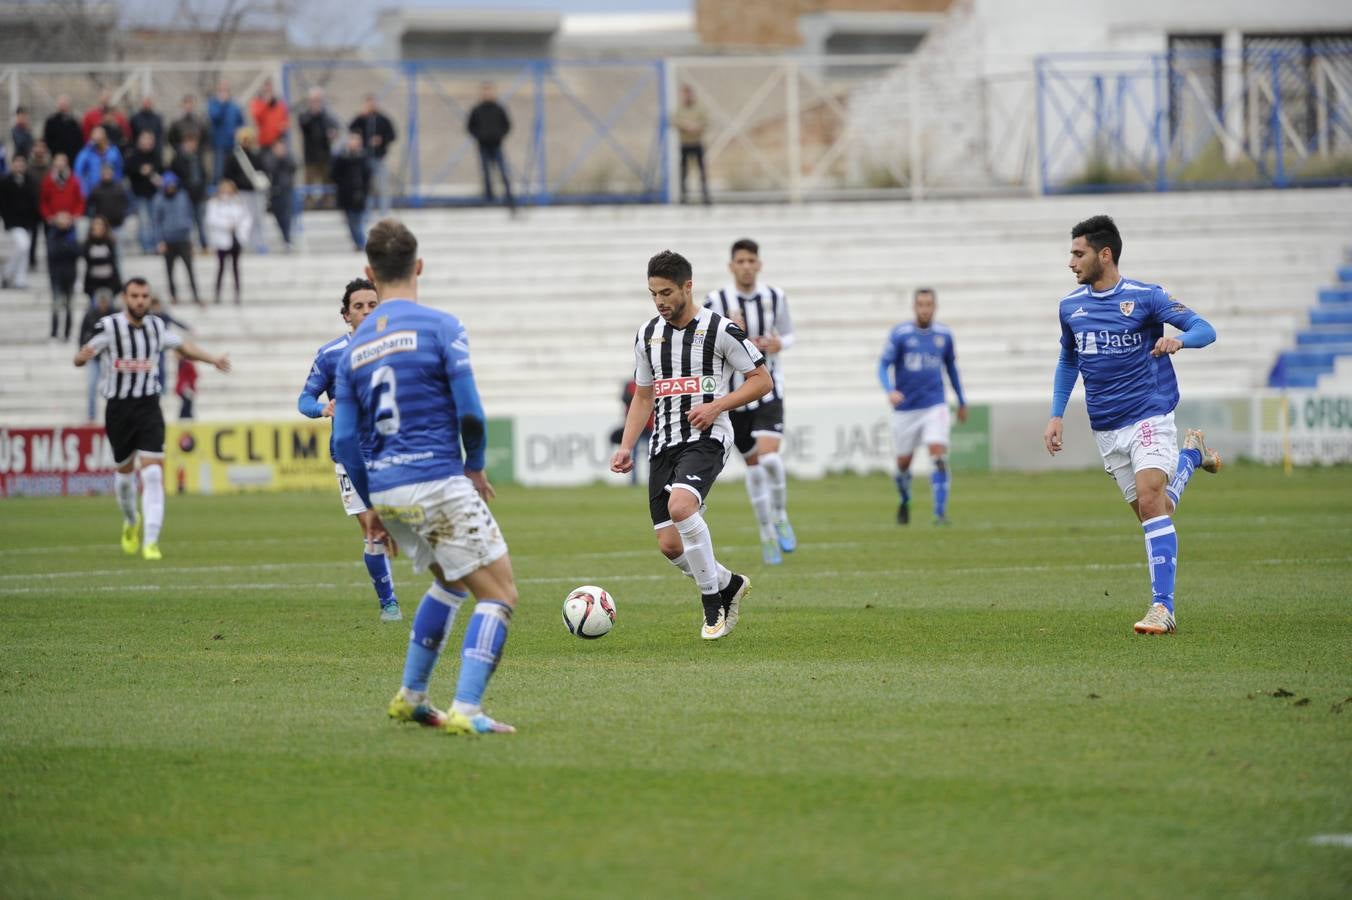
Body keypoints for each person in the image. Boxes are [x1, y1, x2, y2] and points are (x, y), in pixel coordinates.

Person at [332, 218, 518, 735]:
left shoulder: (353, 349)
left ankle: (411, 696)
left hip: (387, 487)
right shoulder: (441, 327)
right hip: (436, 477)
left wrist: (369, 506)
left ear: (370, 271)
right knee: (499, 593)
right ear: (419, 267)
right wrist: (475, 465)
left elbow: (344, 441)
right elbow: (472, 414)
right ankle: (468, 709)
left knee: (450, 582)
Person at [1043, 214, 1221, 635]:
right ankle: (1192, 456)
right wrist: (1056, 413)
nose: (1070, 262)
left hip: (1149, 412)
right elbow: (1069, 359)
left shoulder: (1146, 297)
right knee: (1154, 510)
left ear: (1105, 255)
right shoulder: (1071, 306)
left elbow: (1205, 329)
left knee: (1149, 496)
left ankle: (1163, 607)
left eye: (1078, 253)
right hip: (1106, 427)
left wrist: (1180, 339)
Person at [609, 250, 769, 640]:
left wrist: (717, 405)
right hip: (662, 444)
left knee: (682, 506)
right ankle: (728, 583)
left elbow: (761, 380)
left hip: (707, 438)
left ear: (687, 286)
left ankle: (712, 603)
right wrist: (627, 446)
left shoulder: (720, 330)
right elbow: (643, 396)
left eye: (666, 292)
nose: (660, 301)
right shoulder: (647, 335)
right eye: (653, 294)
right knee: (668, 545)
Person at [74, 277, 231, 561]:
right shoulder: (110, 327)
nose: (140, 301)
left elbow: (183, 346)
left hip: (148, 407)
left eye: (145, 296)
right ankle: (131, 520)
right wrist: (80, 358)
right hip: (119, 409)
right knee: (124, 477)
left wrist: (213, 360)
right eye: (135, 296)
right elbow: (84, 353)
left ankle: (151, 541)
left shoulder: (157, 327)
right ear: (125, 298)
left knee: (153, 474)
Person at [297, 277, 402, 622]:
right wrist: (323, 409)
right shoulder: (330, 355)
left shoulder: (398, 349)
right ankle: (389, 602)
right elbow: (304, 399)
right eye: (359, 306)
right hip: (351, 454)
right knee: (372, 528)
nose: (367, 311)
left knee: (400, 524)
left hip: (394, 449)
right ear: (346, 315)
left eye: (373, 305)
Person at [703, 238, 797, 564]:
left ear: (759, 264)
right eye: (739, 261)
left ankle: (781, 514)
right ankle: (766, 533)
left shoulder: (775, 296)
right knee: (755, 469)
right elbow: (704, 340)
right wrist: (732, 335)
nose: (745, 266)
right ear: (731, 266)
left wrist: (777, 343)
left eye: (750, 260)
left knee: (770, 460)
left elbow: (788, 334)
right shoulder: (716, 300)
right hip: (735, 395)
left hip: (769, 389)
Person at [879, 287, 967, 526]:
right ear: (914, 307)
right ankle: (905, 499)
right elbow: (883, 365)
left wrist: (961, 400)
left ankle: (939, 514)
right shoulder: (900, 334)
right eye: (921, 305)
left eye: (929, 304)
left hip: (934, 405)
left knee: (938, 457)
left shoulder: (944, 335)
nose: (925, 309)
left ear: (935, 307)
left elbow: (952, 369)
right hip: (906, 409)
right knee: (903, 464)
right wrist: (890, 391)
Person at [152, 172, 201, 305]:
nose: (171, 188)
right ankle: (173, 296)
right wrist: (159, 241)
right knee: (170, 271)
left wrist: (193, 239)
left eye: (173, 185)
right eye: (168, 185)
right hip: (168, 240)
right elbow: (157, 222)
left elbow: (190, 216)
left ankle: (196, 295)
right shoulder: (159, 199)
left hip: (183, 238)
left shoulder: (183, 196)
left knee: (190, 269)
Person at [466, 83, 515, 211]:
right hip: (483, 145)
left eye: (490, 91)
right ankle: (489, 198)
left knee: (503, 171)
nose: (487, 94)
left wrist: (499, 135)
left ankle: (508, 196)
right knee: (486, 172)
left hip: (496, 145)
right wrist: (479, 136)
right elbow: (470, 126)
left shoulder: (499, 109)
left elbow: (507, 125)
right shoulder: (477, 110)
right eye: (485, 92)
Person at [349, 94, 397, 217]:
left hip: (379, 158)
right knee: (366, 187)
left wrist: (381, 140)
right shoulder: (361, 119)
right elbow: (351, 128)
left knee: (383, 187)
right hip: (364, 159)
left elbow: (392, 135)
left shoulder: (383, 119)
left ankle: (384, 212)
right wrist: (360, 115)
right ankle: (366, 212)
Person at [204, 178, 249, 304]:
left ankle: (237, 294)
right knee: (221, 267)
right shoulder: (214, 203)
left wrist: (241, 231)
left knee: (235, 268)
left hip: (236, 239)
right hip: (222, 240)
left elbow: (246, 219)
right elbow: (211, 220)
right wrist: (226, 225)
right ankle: (217, 294)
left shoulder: (239, 203)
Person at [224, 127, 268, 253]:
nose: (247, 142)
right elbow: (228, 175)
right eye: (245, 140)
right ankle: (243, 243)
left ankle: (259, 243)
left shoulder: (256, 154)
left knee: (258, 218)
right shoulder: (234, 156)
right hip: (241, 192)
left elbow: (262, 170)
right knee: (243, 219)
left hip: (256, 192)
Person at [0, 154, 39, 290]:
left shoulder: (29, 181)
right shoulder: (5, 181)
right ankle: (7, 272)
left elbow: (34, 201)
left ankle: (19, 279)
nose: (19, 166)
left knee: (24, 251)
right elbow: (3, 204)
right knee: (23, 245)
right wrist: (6, 220)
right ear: (12, 164)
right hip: (13, 222)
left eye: (22, 163)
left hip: (27, 222)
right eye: (17, 163)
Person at [78, 288, 115, 421]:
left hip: (111, 358)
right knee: (92, 386)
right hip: (94, 357)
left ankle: (111, 416)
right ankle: (91, 416)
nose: (103, 305)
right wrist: (83, 352)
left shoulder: (115, 315)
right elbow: (82, 335)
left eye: (105, 302)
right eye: (101, 302)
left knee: (111, 389)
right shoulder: (90, 314)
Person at [168, 132, 209, 249]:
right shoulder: (178, 158)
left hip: (199, 193)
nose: (192, 145)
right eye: (189, 143)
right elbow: (175, 175)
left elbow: (203, 174)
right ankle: (188, 244)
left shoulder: (198, 157)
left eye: (194, 143)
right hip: (185, 193)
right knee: (187, 221)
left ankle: (203, 244)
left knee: (200, 220)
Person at [330, 132, 369, 251]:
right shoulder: (342, 158)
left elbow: (367, 176)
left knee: (357, 222)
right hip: (346, 195)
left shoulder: (363, 158)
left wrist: (363, 191)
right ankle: (359, 244)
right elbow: (333, 174)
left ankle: (362, 244)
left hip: (359, 195)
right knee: (350, 223)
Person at [125, 130, 162, 254]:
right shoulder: (133, 155)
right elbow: (128, 170)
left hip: (154, 193)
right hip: (139, 194)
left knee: (155, 221)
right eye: (144, 140)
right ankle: (147, 247)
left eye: (149, 140)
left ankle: (157, 245)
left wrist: (153, 173)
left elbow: (161, 170)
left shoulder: (155, 155)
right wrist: (141, 171)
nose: (147, 143)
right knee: (144, 222)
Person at [673, 85, 711, 205]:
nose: (686, 97)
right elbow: (674, 121)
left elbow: (706, 122)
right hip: (685, 144)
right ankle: (684, 197)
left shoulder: (699, 109)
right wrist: (685, 126)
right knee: (683, 171)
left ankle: (705, 197)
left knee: (702, 171)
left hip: (697, 143)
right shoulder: (680, 109)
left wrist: (696, 127)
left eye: (688, 94)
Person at [46, 212, 80, 340]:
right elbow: (53, 252)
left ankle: (67, 333)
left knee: (70, 306)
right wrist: (66, 248)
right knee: (56, 306)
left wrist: (64, 248)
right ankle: (54, 333)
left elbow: (77, 252)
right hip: (56, 277)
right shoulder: (52, 235)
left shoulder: (73, 235)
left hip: (70, 276)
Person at [297, 87, 339, 188]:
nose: (316, 103)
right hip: (311, 158)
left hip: (325, 157)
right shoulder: (304, 115)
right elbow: (304, 124)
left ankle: (328, 204)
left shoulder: (326, 116)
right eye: (314, 100)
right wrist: (314, 114)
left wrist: (333, 133)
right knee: (309, 186)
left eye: (318, 100)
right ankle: (309, 204)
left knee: (328, 185)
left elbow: (334, 127)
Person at [86, 163, 131, 255]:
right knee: (103, 255)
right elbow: (89, 205)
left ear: (112, 173)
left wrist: (124, 215)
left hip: (118, 226)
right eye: (104, 172)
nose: (106, 174)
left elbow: (128, 203)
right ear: (101, 174)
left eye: (108, 172)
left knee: (119, 254)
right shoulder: (96, 189)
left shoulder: (120, 187)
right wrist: (95, 221)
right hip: (102, 228)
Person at [207, 81, 245, 185]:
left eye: (225, 90)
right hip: (219, 145)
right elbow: (215, 117)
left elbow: (241, 122)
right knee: (218, 173)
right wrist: (222, 104)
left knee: (233, 172)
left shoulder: (234, 106)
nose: (224, 93)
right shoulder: (213, 104)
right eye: (221, 90)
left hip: (233, 145)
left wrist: (239, 131)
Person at [261, 141, 296, 250]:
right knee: (278, 215)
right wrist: (277, 158)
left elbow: (294, 167)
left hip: (286, 190)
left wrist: (283, 157)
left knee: (287, 215)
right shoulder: (269, 158)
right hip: (275, 191)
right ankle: (285, 237)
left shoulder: (288, 156)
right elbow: (268, 169)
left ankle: (287, 239)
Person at [81, 215, 121, 306]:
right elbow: (87, 261)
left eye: (100, 225)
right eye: (96, 225)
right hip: (93, 284)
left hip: (109, 283)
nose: (98, 228)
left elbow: (113, 263)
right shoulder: (87, 244)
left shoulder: (110, 243)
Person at [73, 126, 123, 198]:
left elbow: (119, 170)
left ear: (105, 136)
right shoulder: (86, 152)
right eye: (95, 134)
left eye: (100, 134)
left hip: (110, 191)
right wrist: (83, 191)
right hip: (91, 191)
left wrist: (117, 187)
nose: (98, 137)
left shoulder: (113, 151)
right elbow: (78, 172)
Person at [249, 78, 289, 152]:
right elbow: (257, 117)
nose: (268, 92)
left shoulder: (279, 104)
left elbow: (285, 121)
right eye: (266, 89)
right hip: (263, 142)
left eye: (270, 89)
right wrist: (266, 104)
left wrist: (281, 131)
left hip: (277, 143)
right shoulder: (257, 103)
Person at [42, 96, 84, 164]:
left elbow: (78, 141)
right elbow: (48, 140)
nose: (63, 106)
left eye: (65, 104)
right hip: (55, 157)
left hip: (71, 159)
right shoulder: (51, 122)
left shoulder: (74, 123)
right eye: (61, 104)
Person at [175, 353, 198, 420]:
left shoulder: (187, 364)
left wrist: (188, 384)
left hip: (186, 388)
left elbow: (194, 375)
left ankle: (185, 417)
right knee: (186, 403)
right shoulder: (181, 363)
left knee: (187, 403)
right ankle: (185, 417)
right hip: (183, 388)